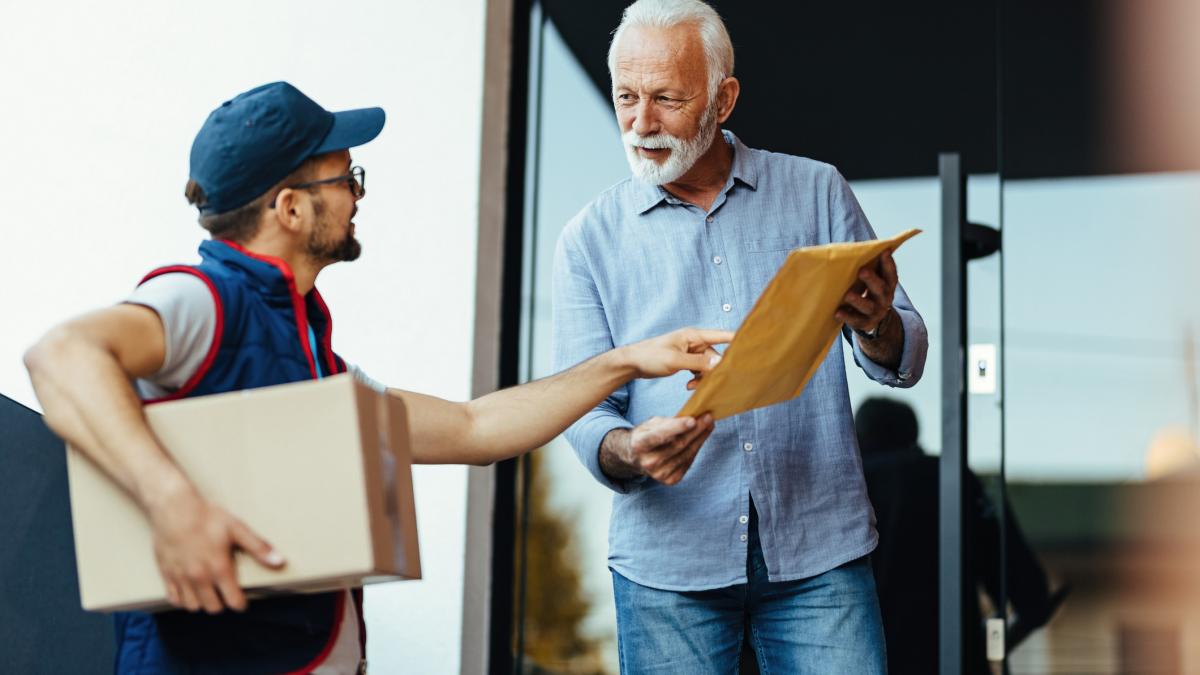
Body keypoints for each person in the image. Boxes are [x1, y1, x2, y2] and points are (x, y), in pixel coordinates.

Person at [22, 81, 732, 674]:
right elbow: (61, 355)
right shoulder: (205, 301)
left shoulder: (312, 357)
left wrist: (630, 358)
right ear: (291, 208)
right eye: (345, 178)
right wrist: (172, 502)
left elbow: (473, 427)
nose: (358, 195)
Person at [551, 0, 929, 671]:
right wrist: (630, 450)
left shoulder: (818, 192)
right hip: (667, 564)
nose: (641, 123)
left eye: (667, 98)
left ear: (724, 99)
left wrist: (877, 326)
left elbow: (907, 352)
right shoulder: (587, 240)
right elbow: (583, 413)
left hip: (821, 550)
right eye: (627, 97)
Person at [855, 397, 1060, 675]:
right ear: (913, 435)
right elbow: (1029, 591)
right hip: (953, 661)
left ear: (858, 438)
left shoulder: (847, 490)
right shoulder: (956, 480)